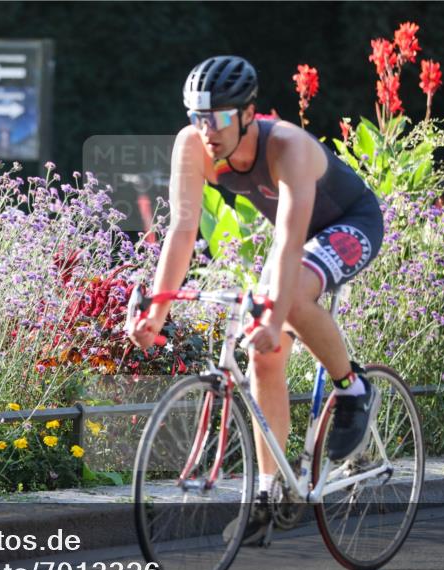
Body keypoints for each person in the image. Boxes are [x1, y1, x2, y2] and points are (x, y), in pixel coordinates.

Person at [128, 55, 385, 545]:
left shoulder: (287, 145)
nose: (208, 130)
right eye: (199, 118)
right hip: (297, 241)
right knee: (262, 352)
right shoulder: (192, 146)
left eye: (220, 117)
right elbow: (182, 231)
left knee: (284, 304)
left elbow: (289, 242)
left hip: (348, 224)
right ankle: (268, 495)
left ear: (248, 113)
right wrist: (158, 310)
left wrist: (275, 309)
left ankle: (353, 389)